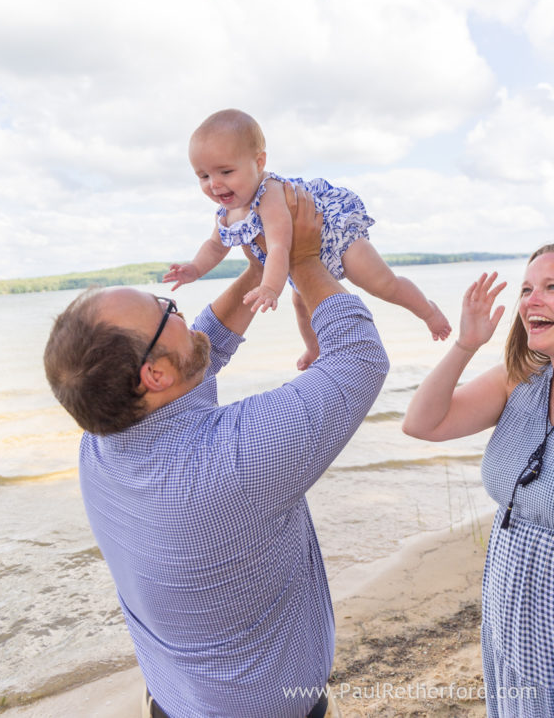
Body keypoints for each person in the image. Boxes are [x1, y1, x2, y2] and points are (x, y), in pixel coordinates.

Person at [43, 185, 389, 718]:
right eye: (166, 311)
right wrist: (301, 260)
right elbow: (359, 360)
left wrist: (258, 271)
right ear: (152, 375)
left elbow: (199, 349)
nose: (178, 312)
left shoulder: (101, 441)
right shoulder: (233, 458)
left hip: (171, 699)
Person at [164, 108, 450, 370]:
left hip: (336, 242)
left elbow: (279, 245)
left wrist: (269, 288)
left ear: (259, 162)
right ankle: (314, 349)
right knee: (302, 306)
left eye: (226, 171)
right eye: (203, 176)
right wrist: (195, 269)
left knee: (383, 284)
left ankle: (427, 310)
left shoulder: (270, 194)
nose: (214, 184)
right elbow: (215, 245)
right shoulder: (227, 212)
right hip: (299, 261)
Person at [402, 244, 554, 717]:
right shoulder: (522, 380)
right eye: (527, 289)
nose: (532, 300)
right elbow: (422, 423)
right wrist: (466, 344)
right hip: (509, 597)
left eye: (552, 288)